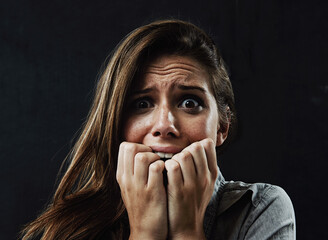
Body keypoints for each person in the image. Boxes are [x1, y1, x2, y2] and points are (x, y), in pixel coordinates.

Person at [21, 19, 295, 240]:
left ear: (222, 126)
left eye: (190, 102)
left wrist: (187, 231)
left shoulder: (259, 209)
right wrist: (145, 233)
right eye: (142, 103)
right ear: (115, 123)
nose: (165, 125)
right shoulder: (70, 228)